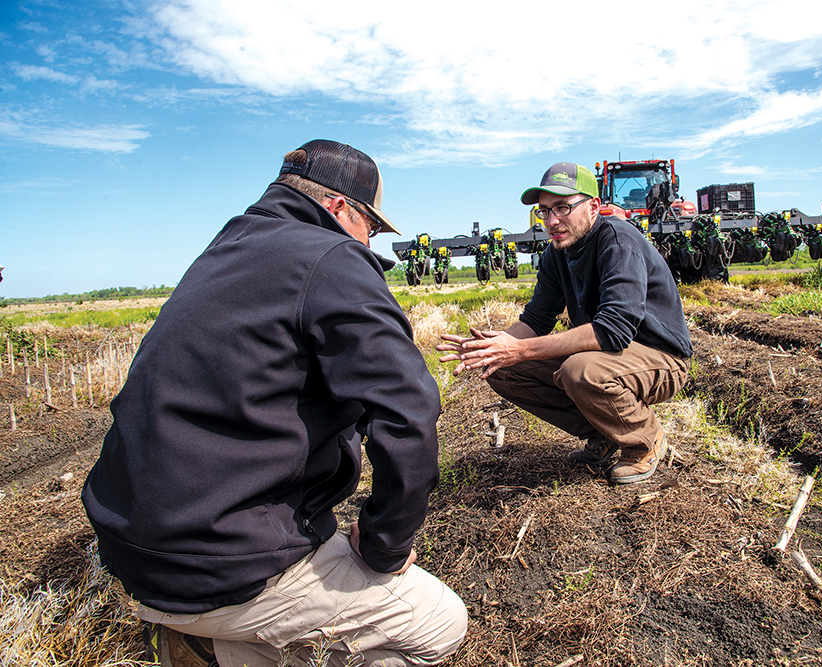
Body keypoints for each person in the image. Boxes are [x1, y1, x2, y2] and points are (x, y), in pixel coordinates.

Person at [82, 140, 468, 667]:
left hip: (131, 551)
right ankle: (214, 645)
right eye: (371, 227)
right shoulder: (332, 256)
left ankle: (202, 638)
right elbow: (410, 411)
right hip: (223, 565)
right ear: (338, 207)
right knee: (439, 622)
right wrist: (384, 546)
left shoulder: (225, 249)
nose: (369, 241)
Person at [438, 162, 692, 484]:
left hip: (660, 358)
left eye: (563, 207)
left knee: (581, 371)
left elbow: (612, 331)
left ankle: (643, 440)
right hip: (611, 356)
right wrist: (492, 348)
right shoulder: (556, 254)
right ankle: (606, 433)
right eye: (544, 211)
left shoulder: (617, 241)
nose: (552, 221)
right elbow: (536, 319)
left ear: (593, 207)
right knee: (502, 368)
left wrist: (519, 349)